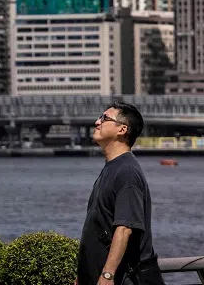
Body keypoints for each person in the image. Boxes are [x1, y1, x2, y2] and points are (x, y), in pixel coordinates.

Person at [77, 103, 164, 285]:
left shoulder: (127, 172)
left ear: (122, 129)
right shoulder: (112, 168)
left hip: (121, 279)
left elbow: (125, 228)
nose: (97, 122)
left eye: (105, 118)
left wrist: (107, 275)